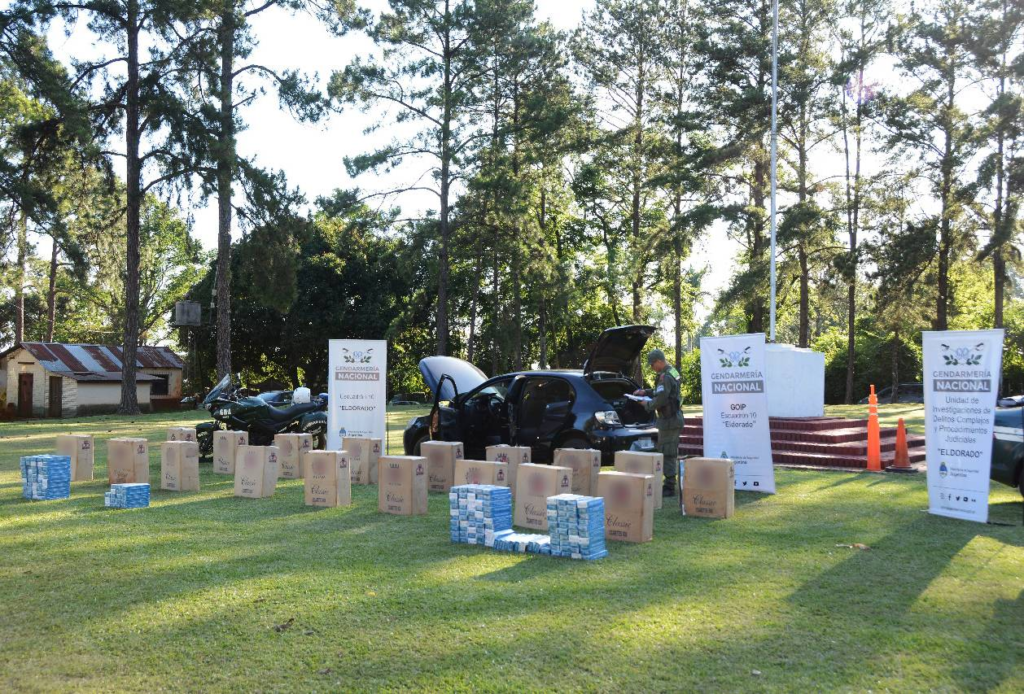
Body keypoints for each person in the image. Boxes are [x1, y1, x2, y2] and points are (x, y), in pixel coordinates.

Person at [634, 349, 684, 496]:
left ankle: (669, 486)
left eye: (652, 364)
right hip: (672, 418)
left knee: (667, 452)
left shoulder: (665, 376)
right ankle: (669, 483)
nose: (652, 367)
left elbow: (661, 398)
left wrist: (647, 404)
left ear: (659, 361)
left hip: (669, 420)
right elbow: (664, 392)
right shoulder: (672, 372)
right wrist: (646, 392)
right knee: (668, 450)